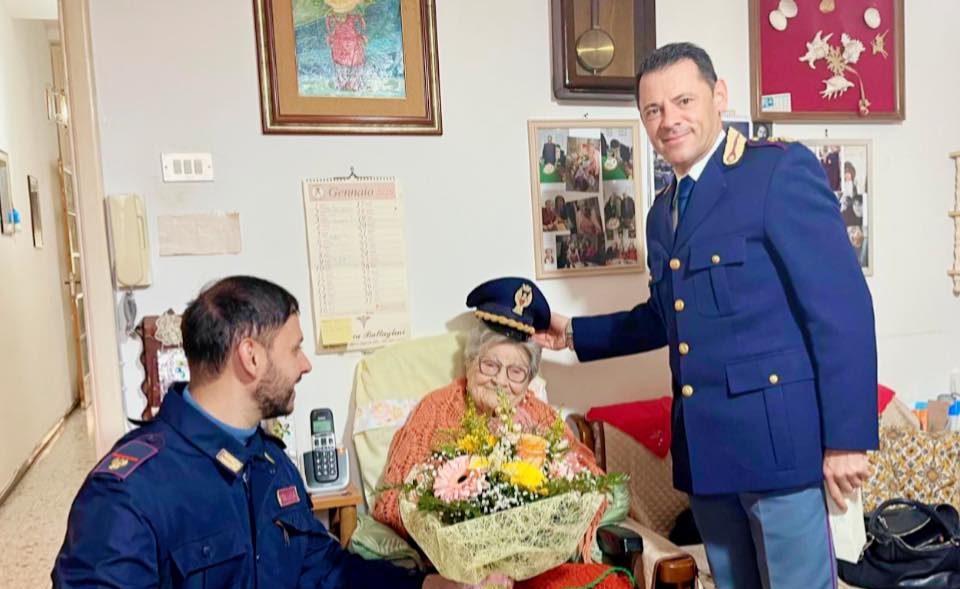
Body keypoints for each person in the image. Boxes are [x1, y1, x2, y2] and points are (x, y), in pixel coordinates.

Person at [535, 42, 878, 589]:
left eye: (683, 101)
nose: (668, 120)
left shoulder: (776, 172)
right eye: (653, 110)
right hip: (708, 454)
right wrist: (573, 333)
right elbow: (664, 316)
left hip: (780, 451)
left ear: (719, 96)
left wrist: (847, 440)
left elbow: (842, 308)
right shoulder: (662, 213)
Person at [52, 276, 491, 589]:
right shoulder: (128, 493)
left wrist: (425, 586)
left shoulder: (270, 462)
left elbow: (323, 569)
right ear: (251, 357)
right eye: (295, 348)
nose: (305, 364)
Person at [372, 278, 613, 561]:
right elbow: (389, 502)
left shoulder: (541, 416)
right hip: (456, 565)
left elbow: (594, 482)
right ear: (469, 362)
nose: (500, 381)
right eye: (490, 365)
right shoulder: (434, 410)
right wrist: (448, 523)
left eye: (516, 372)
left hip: (536, 560)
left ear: (529, 380)